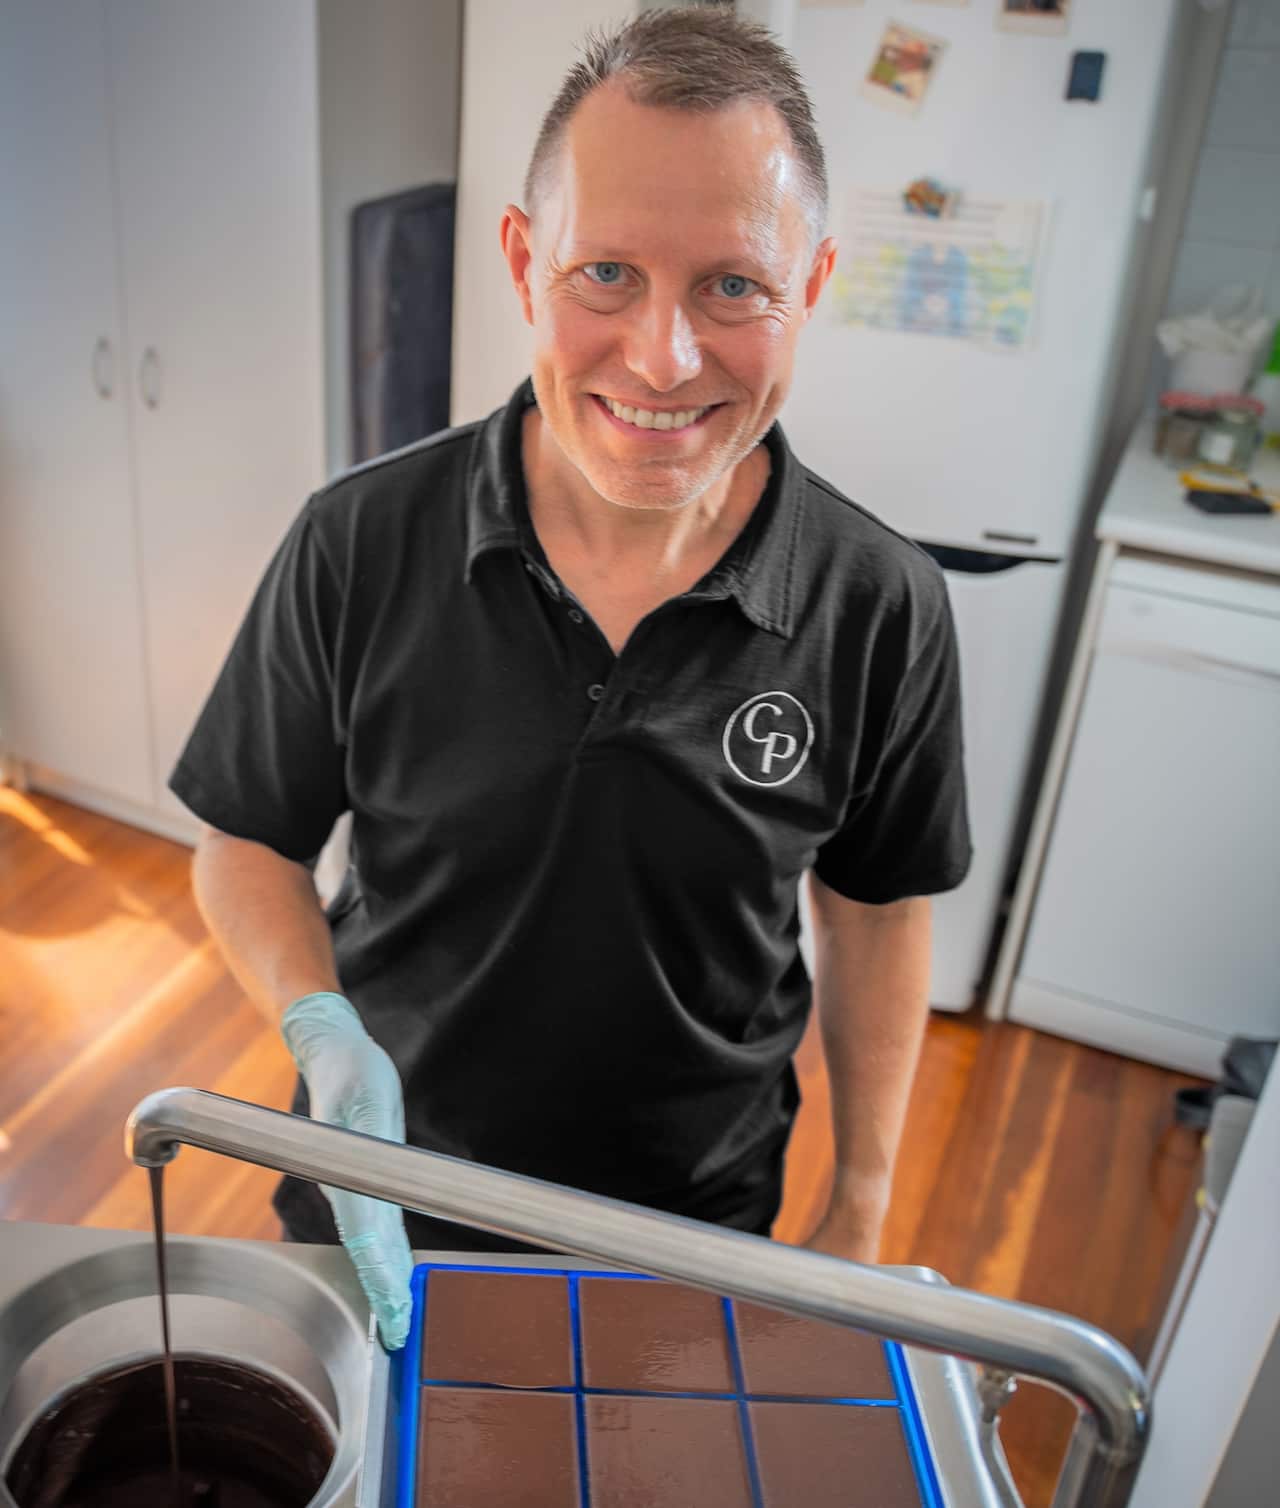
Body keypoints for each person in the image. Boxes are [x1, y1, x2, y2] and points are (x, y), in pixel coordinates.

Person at [173, 9, 971, 1351]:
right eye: (606, 273)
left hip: (689, 1228)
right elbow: (247, 835)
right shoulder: (359, 542)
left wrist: (863, 1207)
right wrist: (319, 1030)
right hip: (381, 1187)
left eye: (735, 286)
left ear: (812, 284)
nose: (663, 358)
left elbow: (879, 912)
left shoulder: (879, 604)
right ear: (522, 259)